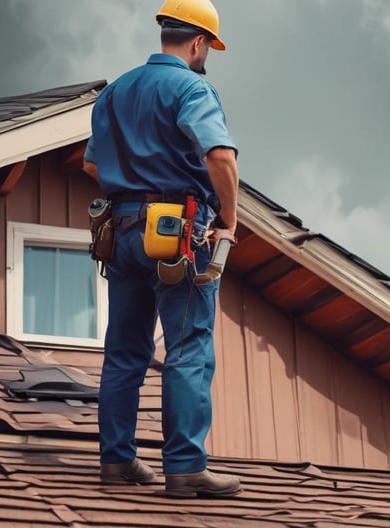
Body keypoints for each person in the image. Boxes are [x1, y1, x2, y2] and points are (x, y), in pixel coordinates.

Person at [82, 0, 240, 498]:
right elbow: (219, 156)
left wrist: (130, 185)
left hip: (122, 232)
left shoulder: (115, 92)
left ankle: (117, 462)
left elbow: (92, 166)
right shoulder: (192, 86)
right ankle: (186, 468)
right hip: (177, 233)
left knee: (124, 350)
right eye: (207, 48)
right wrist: (229, 222)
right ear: (198, 43)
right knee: (188, 348)